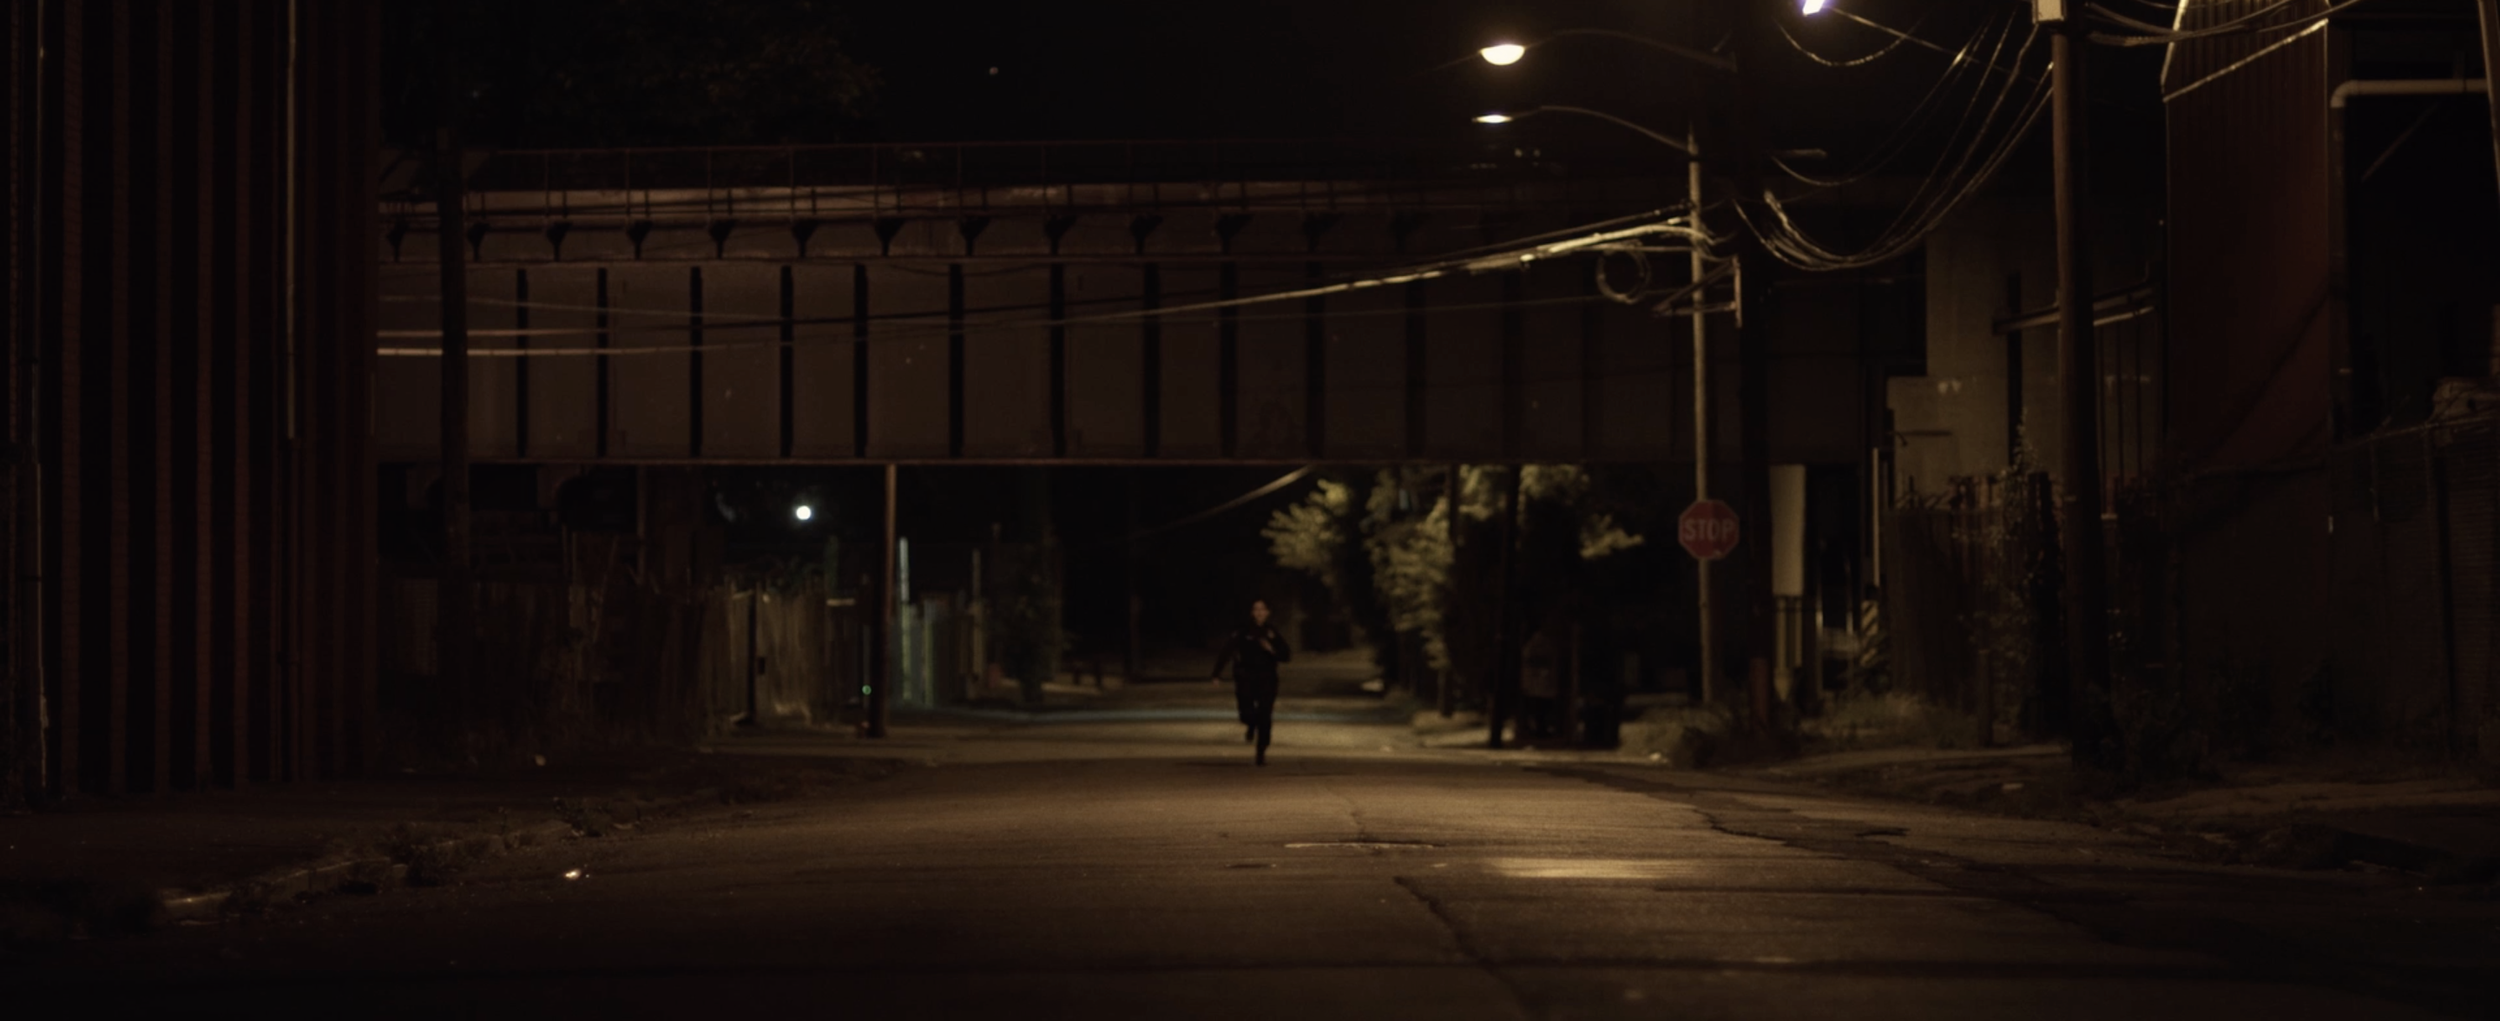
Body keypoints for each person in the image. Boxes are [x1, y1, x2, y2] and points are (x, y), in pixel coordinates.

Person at [1210, 599, 1292, 766]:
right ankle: (1251, 724)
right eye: (1256, 609)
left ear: (1268, 612)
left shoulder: (1271, 632)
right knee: (1246, 712)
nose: (1259, 613)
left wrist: (1272, 649)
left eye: (1263, 609)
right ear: (1252, 612)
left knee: (1265, 714)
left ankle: (1261, 750)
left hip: (1267, 679)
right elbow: (1227, 650)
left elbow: (1286, 656)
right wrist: (1216, 674)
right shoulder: (1243, 630)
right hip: (1246, 677)